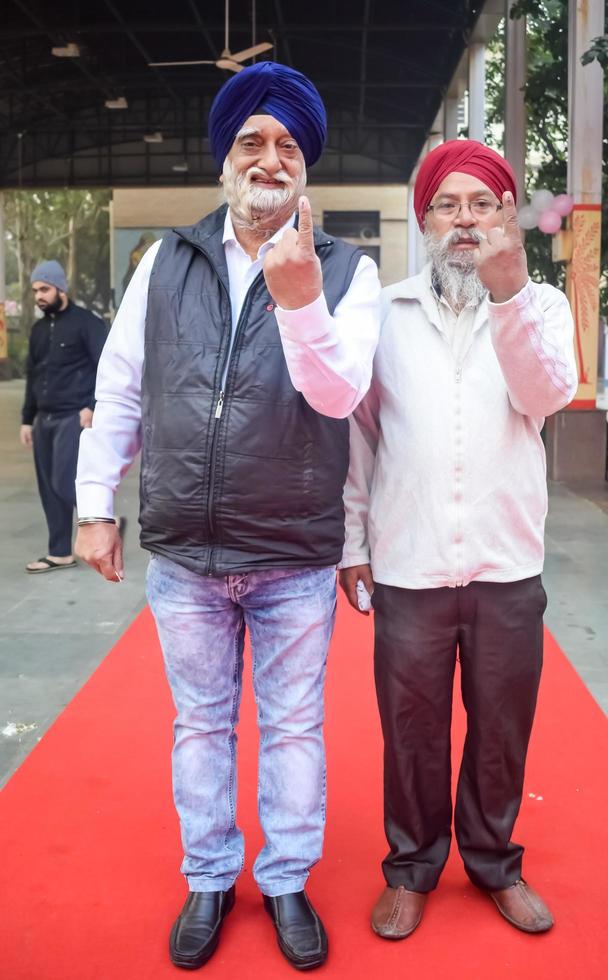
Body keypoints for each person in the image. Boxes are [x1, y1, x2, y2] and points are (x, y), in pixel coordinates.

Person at [75, 62, 380, 971]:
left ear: (306, 165)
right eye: (252, 140)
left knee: (293, 727)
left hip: (291, 551)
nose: (269, 156)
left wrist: (299, 304)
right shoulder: (167, 261)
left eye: (288, 144)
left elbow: (339, 397)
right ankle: (210, 874)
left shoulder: (345, 271)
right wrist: (95, 506)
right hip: (184, 554)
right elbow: (122, 385)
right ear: (225, 159)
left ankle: (286, 880)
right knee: (201, 725)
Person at [339, 139, 577, 940]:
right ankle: (410, 869)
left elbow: (545, 396)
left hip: (507, 560)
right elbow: (359, 438)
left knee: (501, 726)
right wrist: (352, 542)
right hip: (408, 560)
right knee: (411, 730)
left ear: (509, 218)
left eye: (484, 204)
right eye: (450, 204)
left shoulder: (540, 305)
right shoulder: (387, 313)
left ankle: (493, 862)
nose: (466, 219)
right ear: (427, 219)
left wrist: (508, 299)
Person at [20, 260, 108, 574]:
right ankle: (59, 553)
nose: (39, 296)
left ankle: (103, 521)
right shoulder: (39, 329)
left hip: (74, 417)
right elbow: (33, 376)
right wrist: (27, 419)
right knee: (48, 487)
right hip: (44, 418)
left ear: (60, 288)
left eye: (44, 289)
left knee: (63, 481)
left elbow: (108, 367)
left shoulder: (88, 324)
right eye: (35, 291)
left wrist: (92, 406)